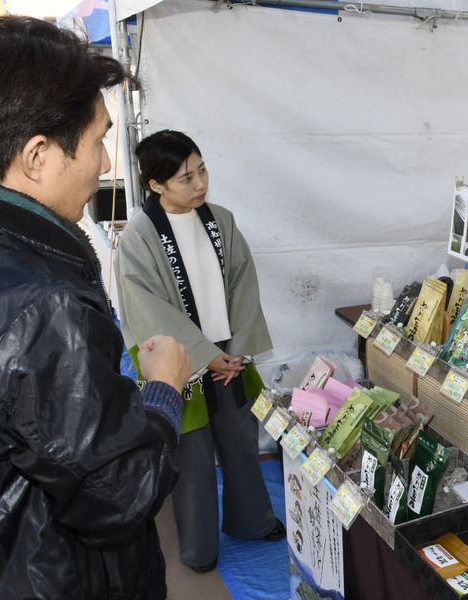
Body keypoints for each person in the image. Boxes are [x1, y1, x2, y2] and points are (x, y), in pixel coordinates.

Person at [0, 17, 191, 600]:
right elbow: (120, 493)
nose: (104, 165)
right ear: (37, 155)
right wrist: (162, 392)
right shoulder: (41, 306)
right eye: (98, 141)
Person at [114, 130, 285, 574]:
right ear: (155, 184)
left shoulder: (220, 220)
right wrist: (202, 354)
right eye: (186, 178)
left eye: (202, 170)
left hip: (228, 356)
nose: (200, 183)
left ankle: (252, 522)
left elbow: (244, 285)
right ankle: (199, 547)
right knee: (191, 456)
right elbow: (147, 308)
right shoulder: (139, 237)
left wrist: (239, 350)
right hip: (179, 361)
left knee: (241, 441)